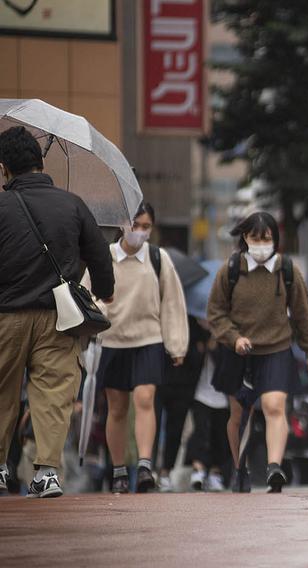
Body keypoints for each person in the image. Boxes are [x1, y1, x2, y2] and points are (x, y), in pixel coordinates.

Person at [0, 126, 115, 498]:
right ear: (40, 162)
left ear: (4, 168)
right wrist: (104, 291)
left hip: (6, 317)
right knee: (52, 394)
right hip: (59, 317)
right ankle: (47, 471)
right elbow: (100, 258)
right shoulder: (72, 204)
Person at [207, 212, 308, 493]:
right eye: (255, 238)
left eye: (267, 238)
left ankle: (273, 467)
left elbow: (303, 312)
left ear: (275, 239)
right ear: (245, 238)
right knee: (238, 414)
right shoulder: (231, 269)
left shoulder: (286, 269)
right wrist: (234, 338)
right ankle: (240, 468)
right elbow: (216, 313)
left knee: (274, 406)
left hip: (276, 349)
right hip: (238, 352)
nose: (261, 243)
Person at [87, 201, 189, 493]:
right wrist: (100, 311)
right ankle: (118, 470)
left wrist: (176, 344)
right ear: (122, 224)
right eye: (136, 226)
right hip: (113, 339)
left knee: (146, 399)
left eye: (147, 227)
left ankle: (145, 467)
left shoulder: (158, 258)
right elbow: (86, 294)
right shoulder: (104, 256)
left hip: (149, 339)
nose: (141, 233)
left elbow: (172, 303)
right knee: (116, 408)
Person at [156, 316, 207, 492]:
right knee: (153, 425)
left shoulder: (194, 318)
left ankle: (164, 471)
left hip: (183, 383)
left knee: (175, 429)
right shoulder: (161, 311)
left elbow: (200, 351)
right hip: (159, 376)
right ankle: (149, 468)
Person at [185, 322, 231, 492]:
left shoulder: (227, 335)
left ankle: (215, 473)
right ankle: (198, 469)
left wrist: (214, 344)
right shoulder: (196, 330)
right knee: (200, 431)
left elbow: (226, 365)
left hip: (222, 396)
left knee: (220, 435)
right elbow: (190, 361)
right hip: (200, 393)